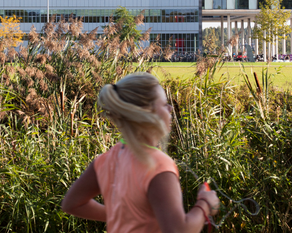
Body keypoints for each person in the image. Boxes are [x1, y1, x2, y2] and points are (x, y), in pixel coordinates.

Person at [62, 72, 220, 233]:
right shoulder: (158, 165)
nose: (170, 108)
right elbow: (179, 230)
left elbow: (72, 203)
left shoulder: (107, 159)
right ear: (146, 114)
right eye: (164, 104)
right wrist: (205, 204)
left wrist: (125, 215)